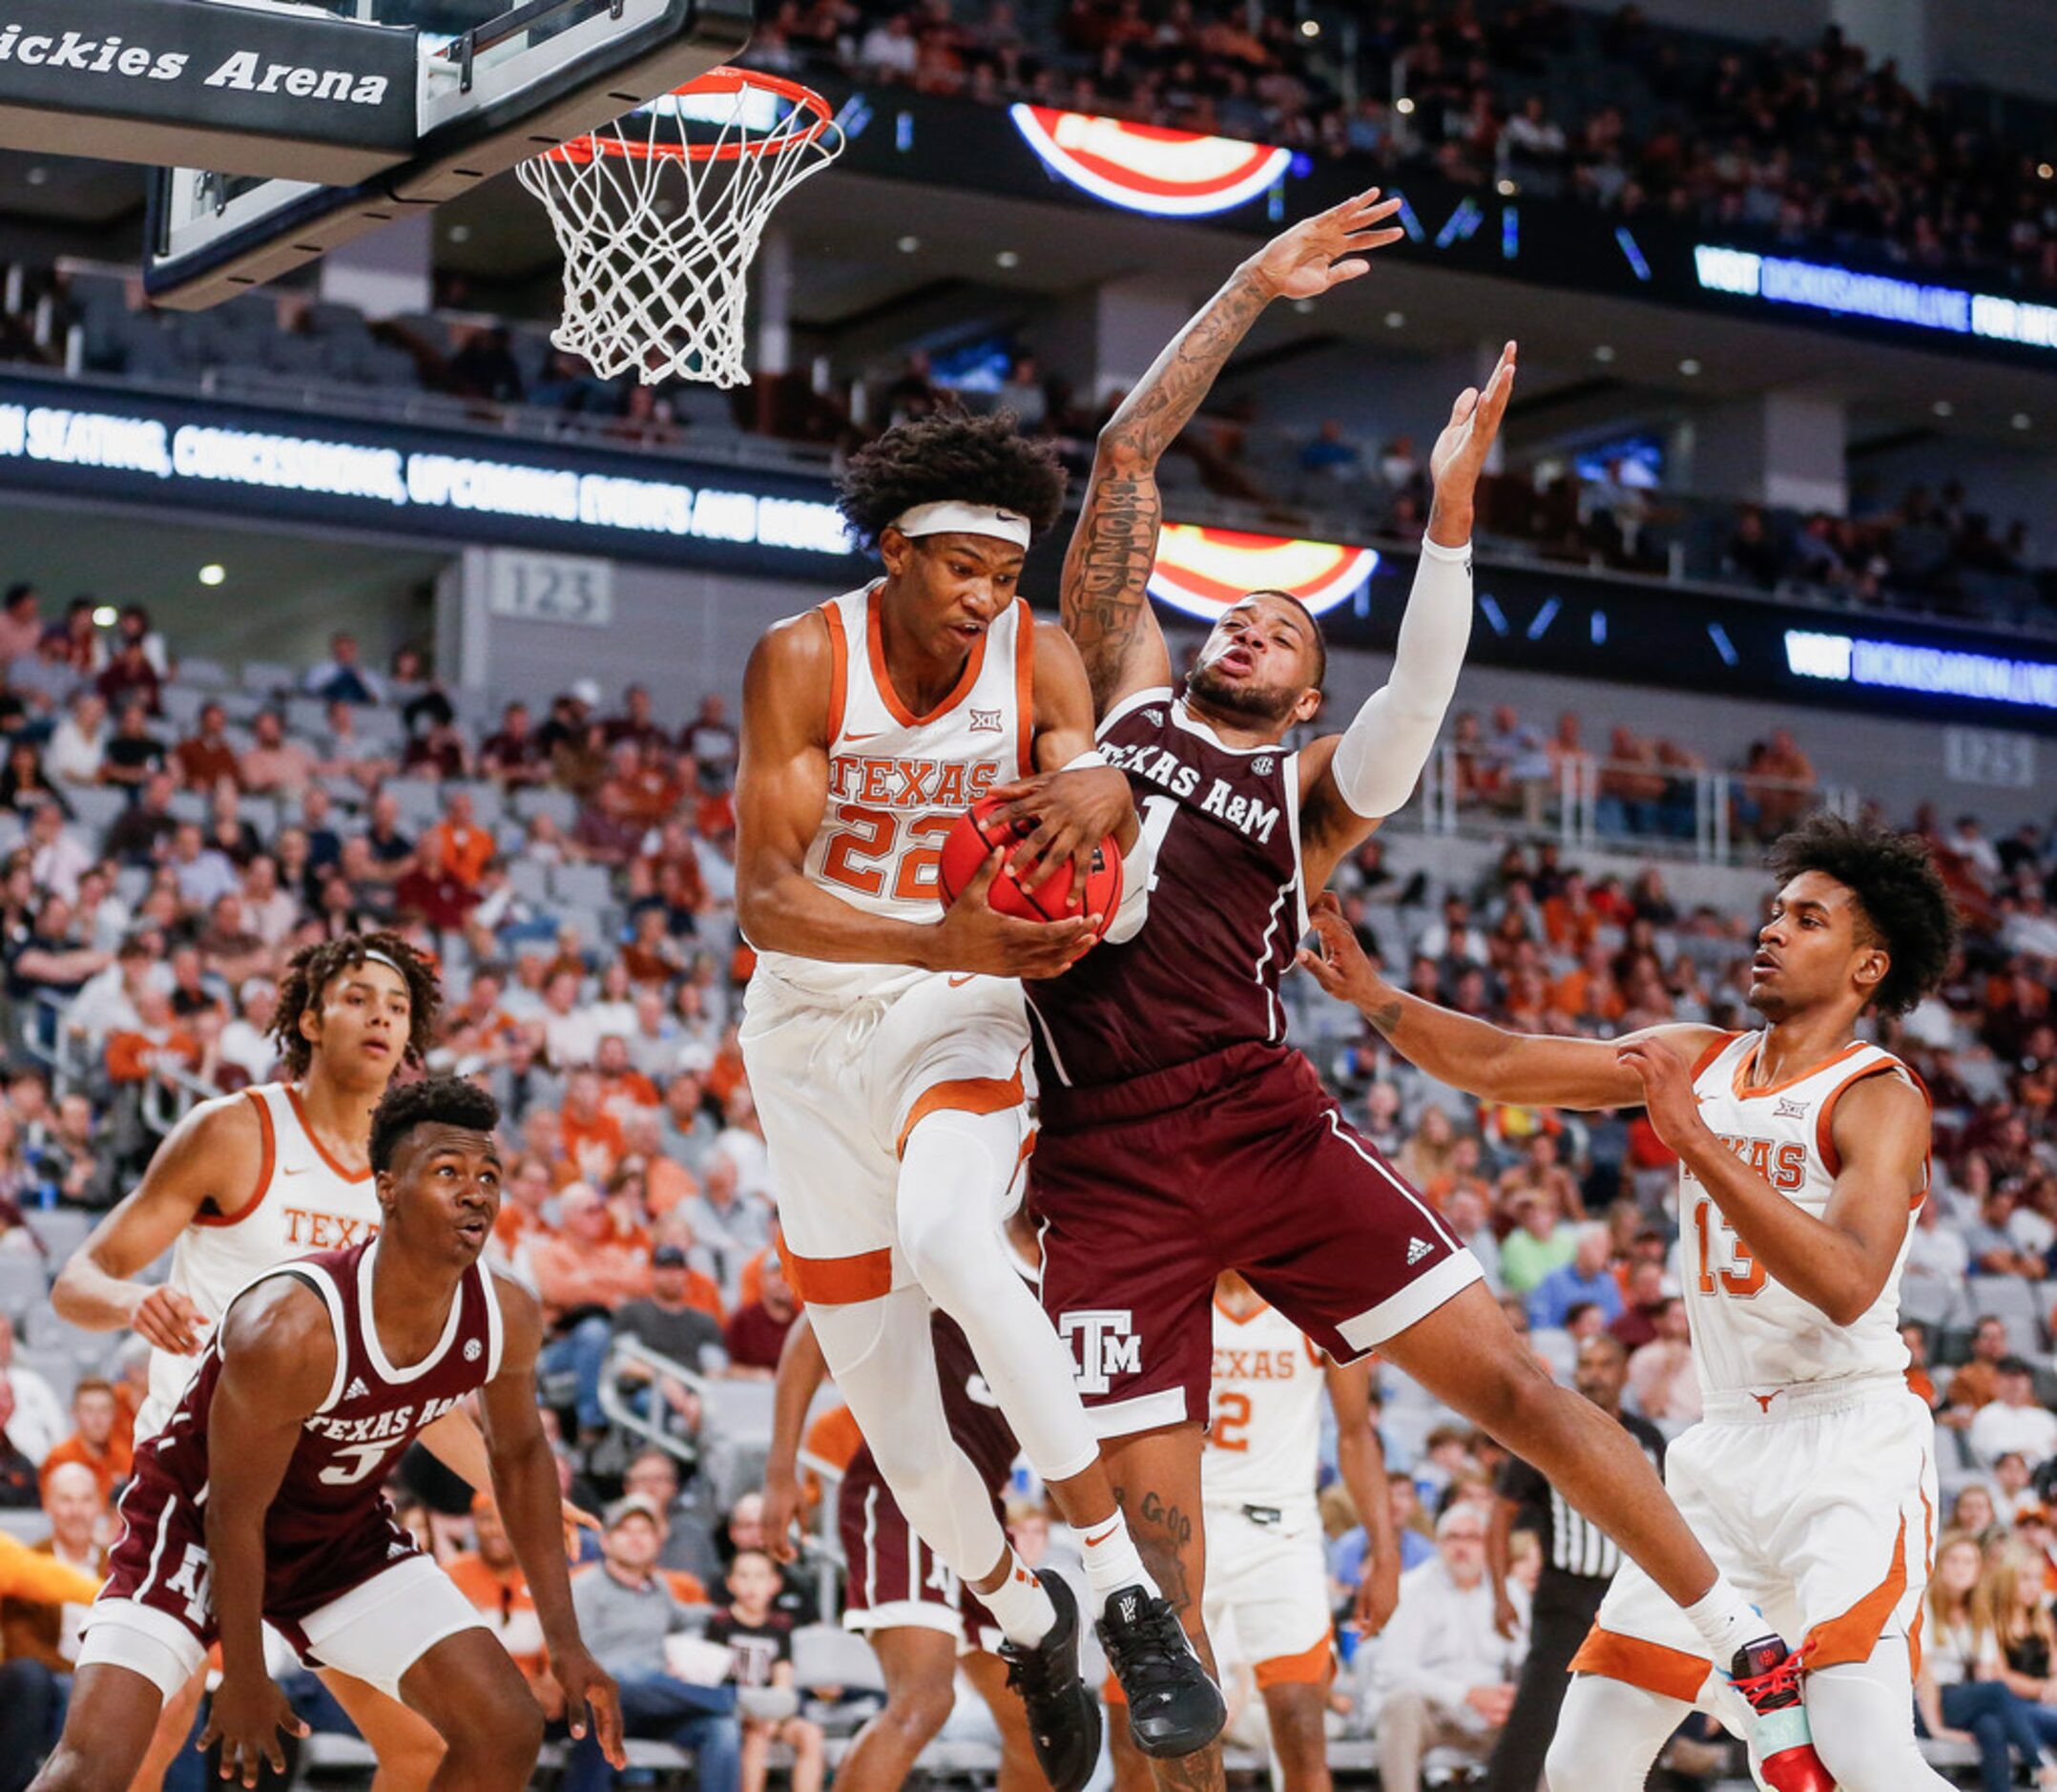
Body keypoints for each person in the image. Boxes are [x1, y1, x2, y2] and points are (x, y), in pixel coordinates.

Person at [1029, 188, 1819, 1792]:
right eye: (1230, 613)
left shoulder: (1317, 790)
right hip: (1104, 1158)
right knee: (1162, 1625)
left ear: (1305, 684)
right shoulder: (1120, 708)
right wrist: (1251, 280)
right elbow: (1123, 461)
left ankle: (1740, 1637)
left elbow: (1422, 689)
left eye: (1273, 626)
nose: (1240, 625)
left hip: (1257, 1118)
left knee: (1522, 1382)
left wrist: (1445, 521)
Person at [733, 385, 1214, 1780]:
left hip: (961, 1006)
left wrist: (1110, 810)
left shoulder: (1041, 659)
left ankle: (1126, 1596)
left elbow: (1084, 799)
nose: (986, 597)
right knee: (897, 1430)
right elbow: (767, 900)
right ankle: (1025, 1613)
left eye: (1008, 574)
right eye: (964, 568)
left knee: (954, 1237)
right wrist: (928, 929)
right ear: (894, 547)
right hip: (810, 1026)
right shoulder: (802, 661)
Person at [1302, 810, 1961, 1792]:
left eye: (1808, 920)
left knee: (1860, 1754)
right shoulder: (1697, 1056)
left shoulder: (1876, 1095)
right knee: (1582, 1763)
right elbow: (1495, 1062)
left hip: (1848, 1448)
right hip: (1721, 1445)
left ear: (1868, 967)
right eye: (1774, 911)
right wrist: (1371, 996)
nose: (1770, 930)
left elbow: (1845, 1281)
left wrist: (1695, 1142)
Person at [29, 1075, 623, 1792]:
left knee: (505, 1726)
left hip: (335, 1535)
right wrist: (244, 1675)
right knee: (90, 1770)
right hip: (197, 1524)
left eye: (488, 1175)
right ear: (387, 1190)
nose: (476, 1192)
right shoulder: (291, 1326)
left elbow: (521, 1457)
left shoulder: (506, 1313)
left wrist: (566, 1642)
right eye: (448, 1173)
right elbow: (233, 1512)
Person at [48, 932, 513, 1789]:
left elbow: (425, 1390)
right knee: (140, 1745)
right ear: (309, 1016)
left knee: (434, 1745)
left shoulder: (410, 1180)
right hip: (202, 1484)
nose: (380, 1014)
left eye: (398, 1005)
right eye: (358, 997)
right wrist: (130, 1302)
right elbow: (79, 1278)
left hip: (325, 1505)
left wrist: (509, 1489)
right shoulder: (234, 1132)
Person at [1112, 1271, 1398, 1792]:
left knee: (1300, 1727)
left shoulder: (1313, 1299)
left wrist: (1386, 1553)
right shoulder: (1166, 1295)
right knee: (1142, 1742)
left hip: (1279, 1531)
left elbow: (1356, 1435)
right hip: (1172, 1531)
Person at [762, 1296, 1039, 1792]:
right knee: (924, 1700)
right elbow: (815, 1326)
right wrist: (781, 1470)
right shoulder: (958, 1240)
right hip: (910, 1486)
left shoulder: (1075, 1280)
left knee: (1042, 1722)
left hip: (979, 1509)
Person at [1484, 1333, 1665, 1791]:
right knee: (1536, 1716)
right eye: (1586, 1364)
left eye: (1606, 1363)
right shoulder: (1547, 1431)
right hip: (1564, 1594)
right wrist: (1501, 1593)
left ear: (1624, 1373)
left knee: (1640, 1713)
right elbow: (1501, 1514)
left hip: (1629, 1591)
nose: (1594, 1374)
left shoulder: (1647, 1438)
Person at [563, 1495, 741, 1792]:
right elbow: (575, 1653)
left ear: (658, 1543)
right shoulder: (584, 1586)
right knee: (625, 1677)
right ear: (605, 1542)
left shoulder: (658, 1588)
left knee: (722, 1729)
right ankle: (731, 1699)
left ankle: (724, 1702)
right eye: (626, 1530)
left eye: (645, 1532)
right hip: (605, 1698)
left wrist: (740, 1612)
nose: (636, 1539)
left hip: (657, 1703)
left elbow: (691, 1618)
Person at [1367, 1506, 1527, 1792]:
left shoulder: (1509, 1591)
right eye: (1452, 1538)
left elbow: (1526, 1658)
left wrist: (1510, 1697)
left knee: (1542, 1710)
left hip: (1496, 1716)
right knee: (1399, 1704)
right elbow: (1393, 1669)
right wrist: (1466, 1695)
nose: (1461, 1547)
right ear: (1438, 1544)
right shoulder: (1412, 1588)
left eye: (1472, 1538)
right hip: (1435, 1713)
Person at [707, 1549, 825, 1792]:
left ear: (774, 1584)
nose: (752, 1584)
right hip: (737, 1713)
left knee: (811, 1734)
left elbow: (783, 1679)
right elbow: (711, 1678)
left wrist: (775, 1713)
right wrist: (752, 1714)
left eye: (760, 1576)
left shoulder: (781, 1627)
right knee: (756, 1737)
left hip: (773, 1714)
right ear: (730, 1583)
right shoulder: (719, 1623)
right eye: (743, 1576)